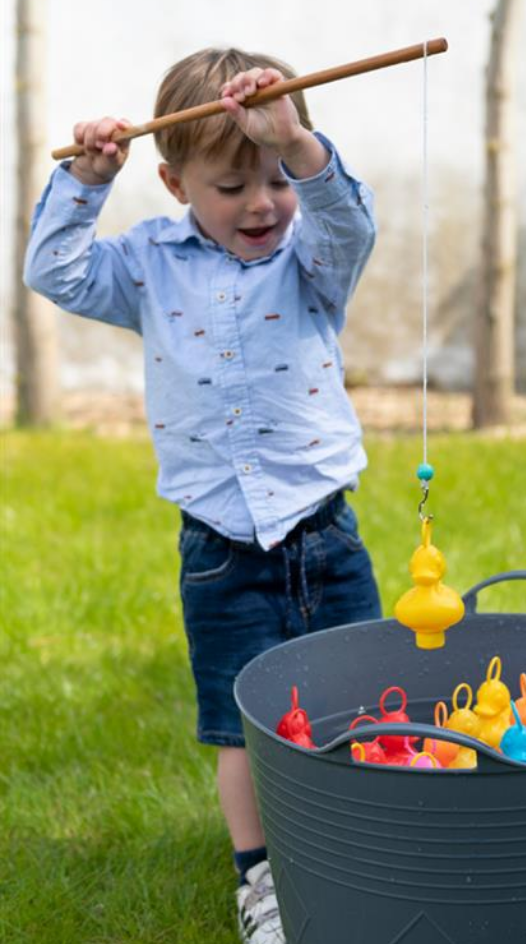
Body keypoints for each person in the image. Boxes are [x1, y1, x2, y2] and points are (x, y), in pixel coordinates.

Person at [24, 47, 383, 944]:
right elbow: (54, 271)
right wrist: (86, 178)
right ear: (174, 181)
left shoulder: (312, 257)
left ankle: (371, 843)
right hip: (220, 546)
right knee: (238, 724)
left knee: (366, 697)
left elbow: (350, 223)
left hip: (325, 530)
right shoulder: (148, 263)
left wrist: (294, 140)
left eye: (274, 180)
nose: (262, 204)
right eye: (231, 186)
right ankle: (260, 879)